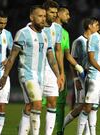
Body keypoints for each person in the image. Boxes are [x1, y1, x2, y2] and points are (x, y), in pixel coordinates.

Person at [0, 5, 62, 135]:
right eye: (40, 16)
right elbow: (12, 57)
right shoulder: (23, 33)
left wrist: (58, 76)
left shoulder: (44, 34)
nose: (43, 19)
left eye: (44, 16)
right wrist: (4, 76)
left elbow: (51, 58)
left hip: (40, 76)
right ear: (32, 17)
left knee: (30, 106)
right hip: (26, 74)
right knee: (37, 104)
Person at [62, 17, 99, 135]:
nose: (98, 27)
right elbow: (72, 62)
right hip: (82, 78)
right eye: (96, 25)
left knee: (91, 106)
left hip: (93, 77)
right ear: (89, 26)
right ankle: (61, 125)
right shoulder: (79, 41)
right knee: (82, 107)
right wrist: (76, 79)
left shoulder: (96, 40)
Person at [54, 6, 85, 135]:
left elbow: (67, 55)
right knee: (36, 105)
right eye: (66, 14)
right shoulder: (46, 29)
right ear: (58, 14)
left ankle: (59, 131)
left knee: (60, 105)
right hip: (46, 72)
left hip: (60, 74)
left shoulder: (65, 33)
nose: (69, 16)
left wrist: (78, 67)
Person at [41, 1, 65, 134]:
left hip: (52, 70)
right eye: (51, 12)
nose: (54, 15)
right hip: (37, 69)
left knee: (52, 102)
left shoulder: (58, 28)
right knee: (33, 105)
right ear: (44, 12)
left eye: (56, 12)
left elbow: (58, 51)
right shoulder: (35, 27)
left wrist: (60, 73)